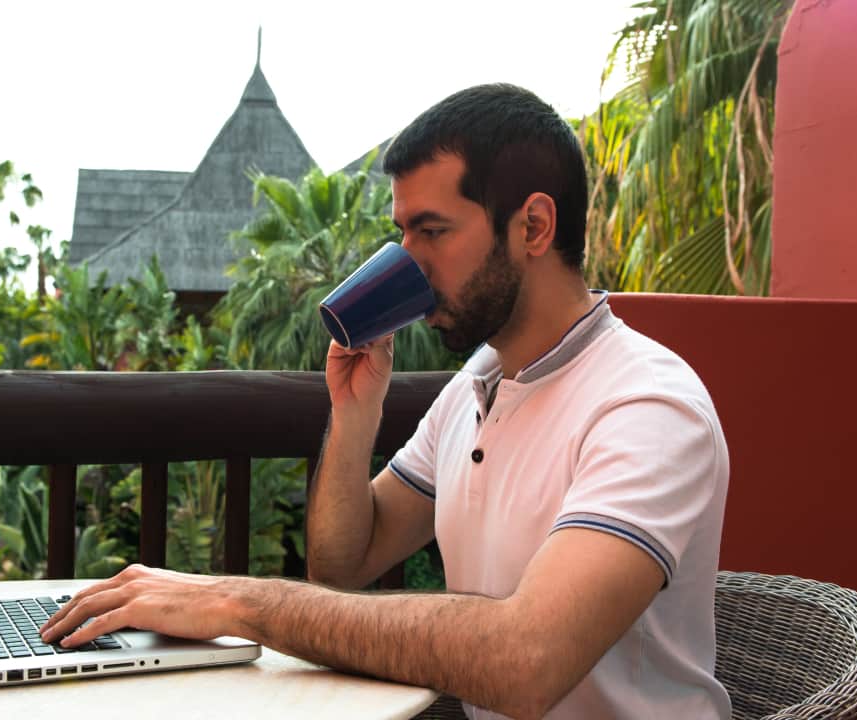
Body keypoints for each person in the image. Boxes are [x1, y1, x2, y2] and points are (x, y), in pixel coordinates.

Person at [40, 84, 730, 720]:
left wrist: (241, 603)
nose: (407, 261)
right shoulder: (475, 389)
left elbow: (528, 661)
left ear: (534, 228)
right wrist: (354, 416)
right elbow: (342, 564)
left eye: (432, 232)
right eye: (402, 233)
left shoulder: (647, 409)